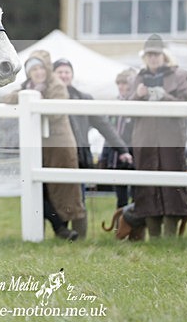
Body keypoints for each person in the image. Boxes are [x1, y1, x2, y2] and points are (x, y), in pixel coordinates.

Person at [52, 58, 133, 238]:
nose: (64, 75)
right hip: (55, 156)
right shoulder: (47, 96)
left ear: (72, 75)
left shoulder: (83, 98)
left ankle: (80, 238)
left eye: (67, 71)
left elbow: (104, 126)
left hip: (79, 156)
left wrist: (122, 150)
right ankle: (62, 234)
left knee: (78, 198)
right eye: (60, 72)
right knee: (56, 196)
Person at [6, 51, 82, 241]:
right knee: (40, 188)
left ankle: (68, 231)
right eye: (33, 69)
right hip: (37, 146)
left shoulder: (56, 85)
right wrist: (29, 95)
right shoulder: (27, 87)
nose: (38, 72)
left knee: (62, 188)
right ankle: (60, 229)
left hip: (59, 144)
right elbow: (8, 99)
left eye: (40, 68)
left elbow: (55, 112)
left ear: (46, 69)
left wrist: (36, 99)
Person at [128, 34, 187, 238]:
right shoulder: (138, 77)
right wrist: (137, 96)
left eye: (156, 54)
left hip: (170, 139)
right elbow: (127, 108)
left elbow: (186, 104)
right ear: (144, 57)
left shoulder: (181, 75)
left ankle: (170, 238)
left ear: (164, 55)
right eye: (149, 55)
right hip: (145, 140)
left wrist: (165, 97)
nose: (153, 58)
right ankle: (155, 238)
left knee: (172, 187)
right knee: (147, 189)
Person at [98, 68, 138, 208]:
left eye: (124, 83)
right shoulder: (114, 104)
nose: (121, 87)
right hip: (116, 155)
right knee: (120, 197)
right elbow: (109, 133)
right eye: (119, 83)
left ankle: (134, 226)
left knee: (136, 194)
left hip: (133, 154)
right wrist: (104, 156)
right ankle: (120, 226)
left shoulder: (137, 105)